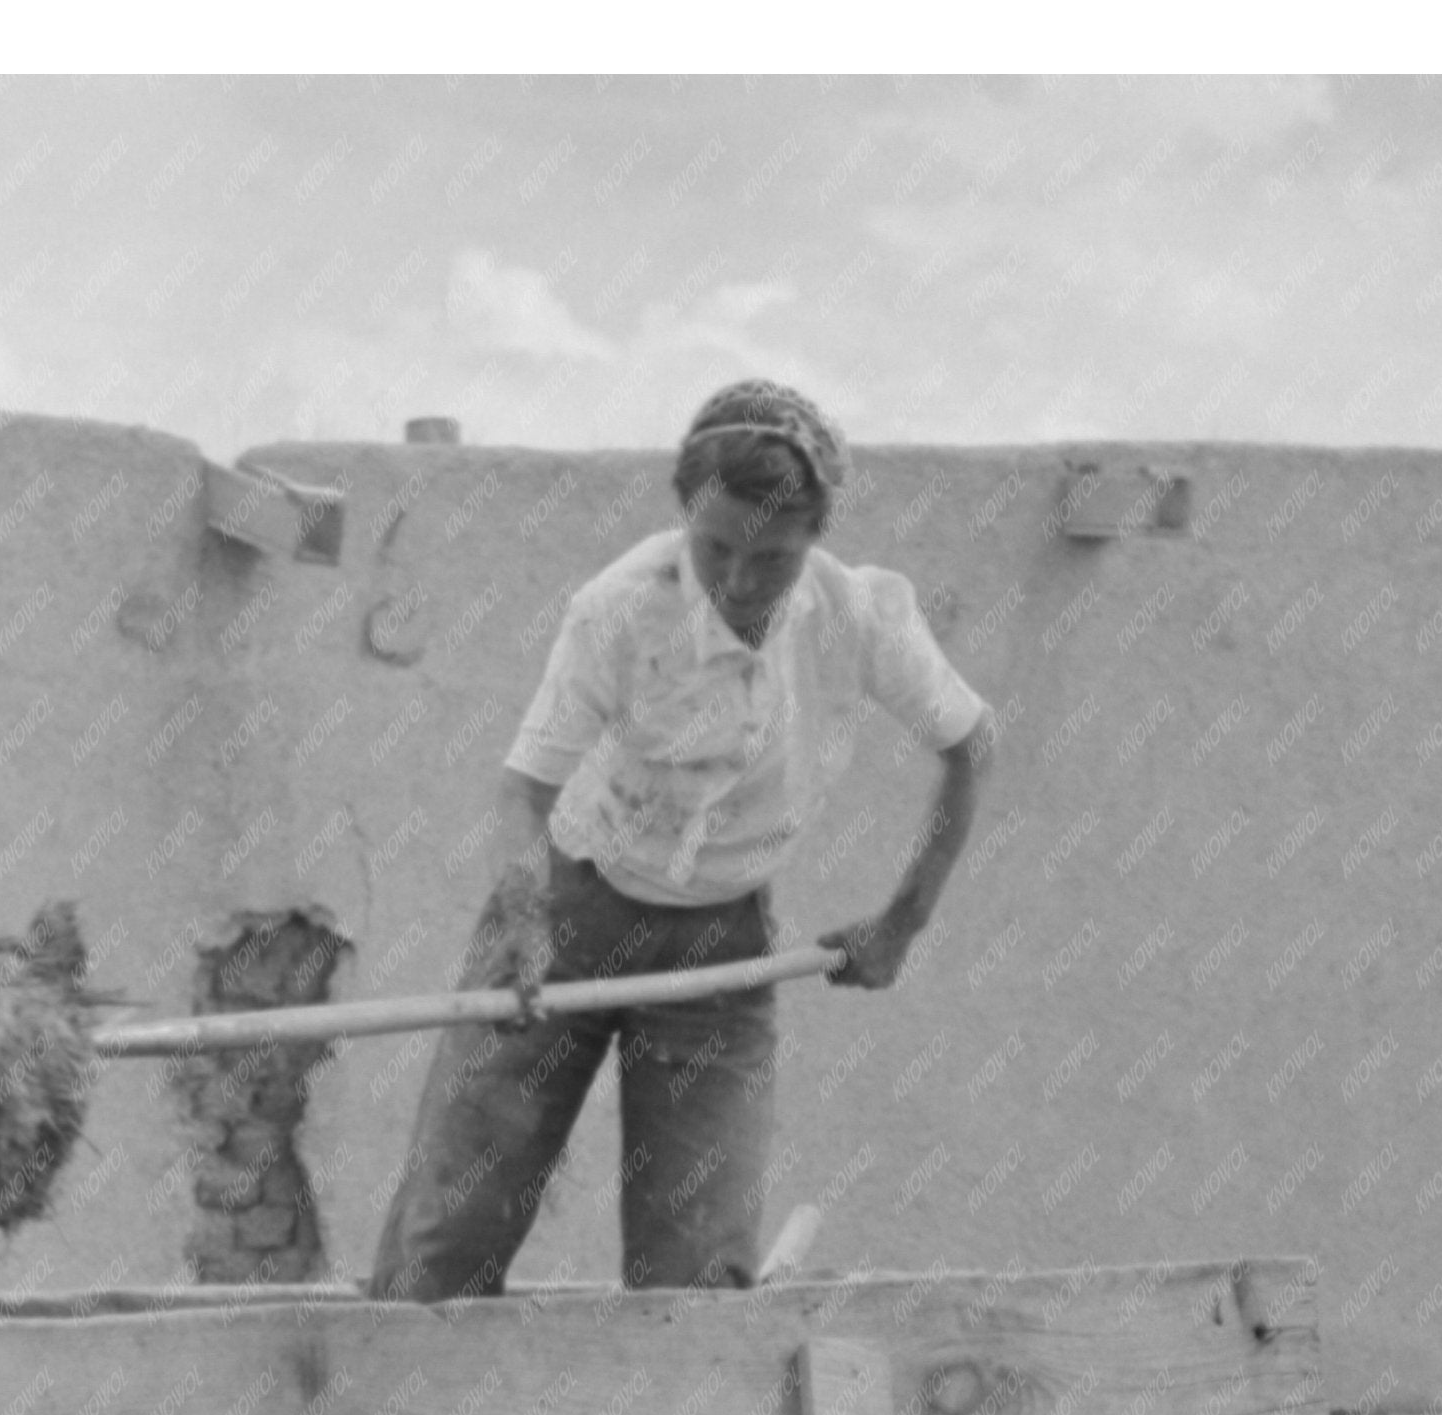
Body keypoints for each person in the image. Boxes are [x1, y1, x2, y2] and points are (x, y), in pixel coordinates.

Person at [369, 381, 994, 1302]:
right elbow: (524, 788)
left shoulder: (856, 618)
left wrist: (904, 920)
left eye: (772, 557)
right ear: (683, 512)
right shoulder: (618, 609)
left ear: (815, 536)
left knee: (696, 1278)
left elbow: (972, 746)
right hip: (566, 922)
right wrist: (517, 919)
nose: (739, 582)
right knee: (447, 1240)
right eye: (717, 548)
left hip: (719, 951)